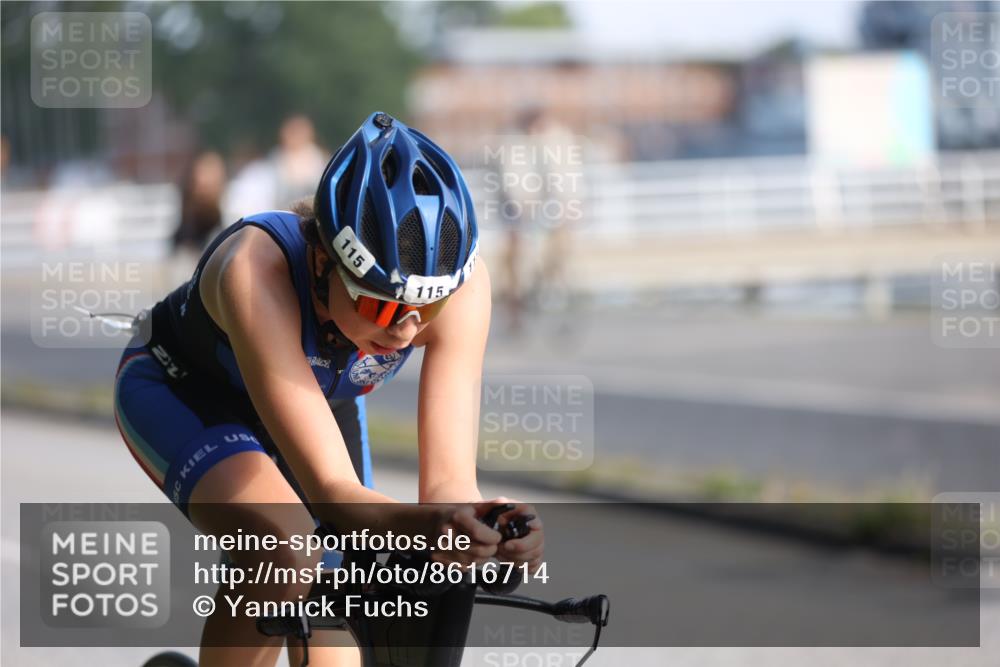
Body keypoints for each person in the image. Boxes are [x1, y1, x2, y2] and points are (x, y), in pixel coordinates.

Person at [113, 112, 543, 667]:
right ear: (323, 261)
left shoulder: (464, 286)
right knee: (288, 551)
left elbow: (448, 487)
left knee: (338, 657)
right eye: (383, 305)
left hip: (315, 401)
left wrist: (491, 531)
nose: (406, 329)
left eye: (427, 307)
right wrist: (434, 530)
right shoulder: (254, 268)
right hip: (186, 392)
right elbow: (335, 497)